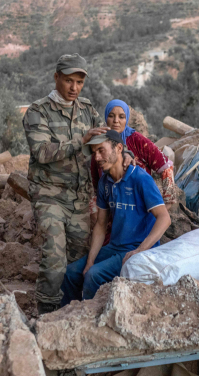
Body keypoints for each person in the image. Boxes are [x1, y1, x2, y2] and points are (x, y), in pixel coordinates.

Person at [23, 53, 134, 315]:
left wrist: (124, 151)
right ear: (56, 78)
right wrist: (81, 141)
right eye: (69, 81)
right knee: (54, 255)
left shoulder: (86, 109)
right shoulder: (38, 112)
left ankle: (72, 310)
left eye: (79, 83)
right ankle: (47, 314)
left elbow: (107, 137)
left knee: (78, 260)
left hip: (80, 197)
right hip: (49, 195)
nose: (74, 88)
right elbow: (41, 152)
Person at [61, 130, 171, 306]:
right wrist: (90, 261)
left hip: (136, 250)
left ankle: (89, 319)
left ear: (119, 148)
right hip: (114, 247)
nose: (97, 157)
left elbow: (164, 218)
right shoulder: (105, 182)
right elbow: (101, 224)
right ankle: (67, 316)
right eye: (94, 152)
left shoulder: (140, 179)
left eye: (101, 150)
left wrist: (140, 250)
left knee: (93, 275)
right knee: (72, 272)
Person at [90, 99, 176, 243]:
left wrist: (167, 204)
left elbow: (166, 166)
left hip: (139, 212)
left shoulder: (136, 140)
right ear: (106, 118)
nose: (116, 121)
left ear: (127, 119)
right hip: (113, 214)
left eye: (121, 117)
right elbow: (96, 184)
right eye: (111, 116)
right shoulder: (100, 145)